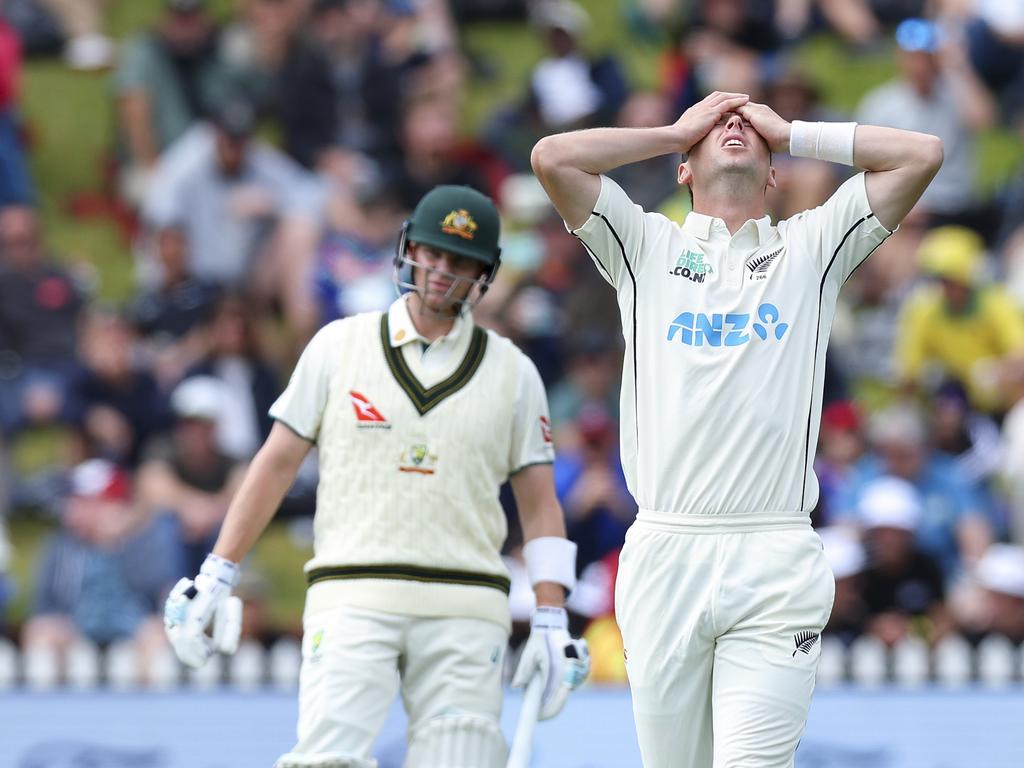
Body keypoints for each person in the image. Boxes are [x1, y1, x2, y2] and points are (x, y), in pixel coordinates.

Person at [532, 89, 942, 766]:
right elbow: (553, 158)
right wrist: (672, 131)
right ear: (684, 169)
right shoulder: (643, 245)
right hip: (666, 548)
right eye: (716, 122)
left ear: (775, 171)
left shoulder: (810, 247)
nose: (732, 124)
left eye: (746, 124)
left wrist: (794, 131)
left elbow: (920, 154)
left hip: (773, 555)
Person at [163, 185, 588, 767]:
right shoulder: (339, 346)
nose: (441, 271)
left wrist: (548, 614)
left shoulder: (514, 373)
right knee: (325, 761)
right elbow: (276, 464)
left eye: (460, 260)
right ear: (409, 249)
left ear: (484, 273)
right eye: (433, 253)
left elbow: (541, 506)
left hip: (466, 605)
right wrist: (217, 571)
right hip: (352, 593)